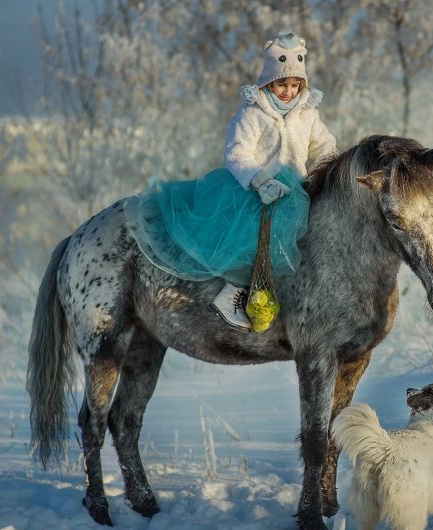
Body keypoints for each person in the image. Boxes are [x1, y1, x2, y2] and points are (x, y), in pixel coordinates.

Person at [124, 31, 336, 330]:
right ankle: (234, 292)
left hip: (295, 189)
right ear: (268, 81)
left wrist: (329, 168)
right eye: (281, 84)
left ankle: (304, 292)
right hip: (255, 192)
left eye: (294, 85)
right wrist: (260, 180)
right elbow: (236, 153)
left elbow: (324, 145)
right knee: (251, 238)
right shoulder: (253, 112)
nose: (287, 92)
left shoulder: (307, 114)